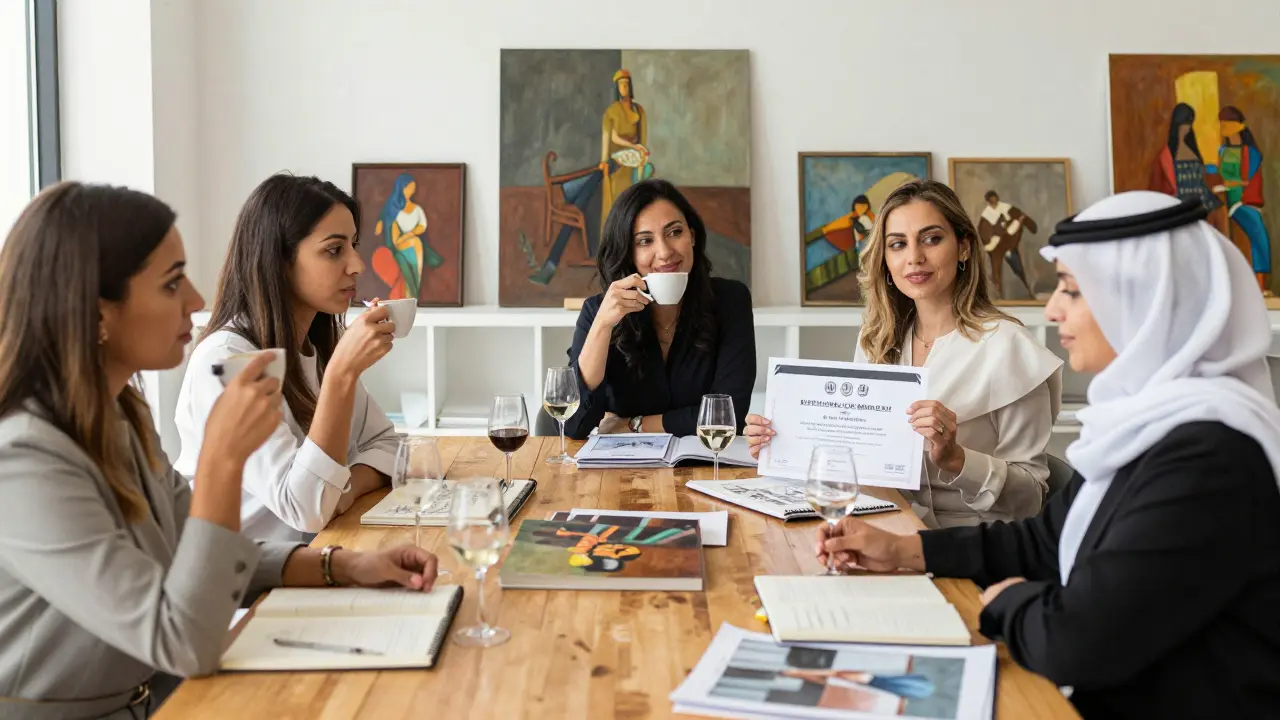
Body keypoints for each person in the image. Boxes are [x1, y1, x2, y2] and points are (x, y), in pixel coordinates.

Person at [816, 192, 1280, 719]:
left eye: (1073, 290)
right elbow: (1044, 539)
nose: (1053, 308)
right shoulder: (1150, 428)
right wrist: (901, 552)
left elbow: (1078, 643)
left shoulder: (1208, 458)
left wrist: (1008, 599)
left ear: (1146, 304)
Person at [0, 183, 439, 719]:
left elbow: (204, 549)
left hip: (157, 690)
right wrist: (222, 461)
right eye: (170, 283)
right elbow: (184, 638)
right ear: (96, 313)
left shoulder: (118, 415)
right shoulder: (23, 459)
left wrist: (344, 565)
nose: (195, 300)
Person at [747, 180, 1062, 528]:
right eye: (898, 244)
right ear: (884, 259)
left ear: (964, 248)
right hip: (885, 524)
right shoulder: (878, 340)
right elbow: (855, 456)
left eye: (932, 239)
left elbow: (1031, 498)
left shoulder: (1011, 349)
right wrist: (782, 442)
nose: (914, 257)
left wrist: (958, 459)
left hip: (973, 543)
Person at [175, 174, 401, 542]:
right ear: (278, 260)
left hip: (319, 556)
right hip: (252, 587)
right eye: (334, 250)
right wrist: (342, 374)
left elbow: (390, 446)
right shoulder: (227, 361)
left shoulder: (315, 348)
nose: (357, 265)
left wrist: (341, 492)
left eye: (354, 246)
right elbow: (306, 508)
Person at [564, 179, 755, 439]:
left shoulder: (730, 300)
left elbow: (726, 415)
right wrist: (602, 326)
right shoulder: (598, 311)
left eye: (675, 232)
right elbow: (574, 426)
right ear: (628, 252)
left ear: (693, 236)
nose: (664, 252)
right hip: (621, 473)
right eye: (645, 241)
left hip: (704, 466)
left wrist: (633, 424)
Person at [1208, 106, 1272, 294]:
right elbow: (1220, 174)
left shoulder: (1251, 153)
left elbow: (1246, 179)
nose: (1223, 128)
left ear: (1240, 126)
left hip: (1244, 202)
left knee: (1259, 234)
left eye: (1227, 124)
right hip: (1225, 201)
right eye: (1221, 124)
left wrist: (1227, 182)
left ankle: (1260, 284)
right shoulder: (1222, 151)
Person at [371, 172, 443, 300]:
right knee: (411, 247)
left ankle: (415, 287)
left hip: (411, 240)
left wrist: (409, 234)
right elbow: (386, 216)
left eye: (413, 188)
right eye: (408, 187)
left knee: (416, 243)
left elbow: (422, 226)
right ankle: (408, 292)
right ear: (401, 188)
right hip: (397, 242)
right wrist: (381, 223)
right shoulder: (394, 208)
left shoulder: (417, 209)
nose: (411, 191)